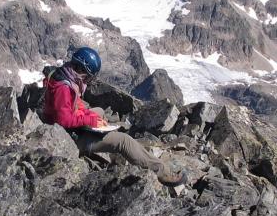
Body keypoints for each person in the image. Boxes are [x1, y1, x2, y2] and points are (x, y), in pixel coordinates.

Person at [41, 46, 185, 185]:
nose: (88, 80)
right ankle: (163, 173)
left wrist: (89, 116)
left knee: (100, 112)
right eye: (88, 76)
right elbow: (63, 120)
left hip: (68, 128)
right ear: (82, 69)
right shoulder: (64, 88)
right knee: (124, 141)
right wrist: (89, 119)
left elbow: (74, 106)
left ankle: (108, 141)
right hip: (70, 137)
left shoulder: (65, 75)